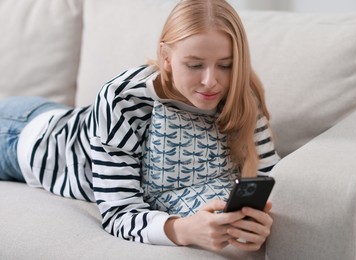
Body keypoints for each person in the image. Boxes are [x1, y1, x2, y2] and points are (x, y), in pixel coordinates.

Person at [0, 0, 280, 252]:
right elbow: (118, 212)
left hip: (64, 117)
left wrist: (257, 226)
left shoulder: (243, 98)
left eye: (226, 65)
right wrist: (182, 230)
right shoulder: (123, 97)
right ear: (166, 59)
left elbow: (272, 180)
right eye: (194, 65)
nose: (211, 81)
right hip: (22, 136)